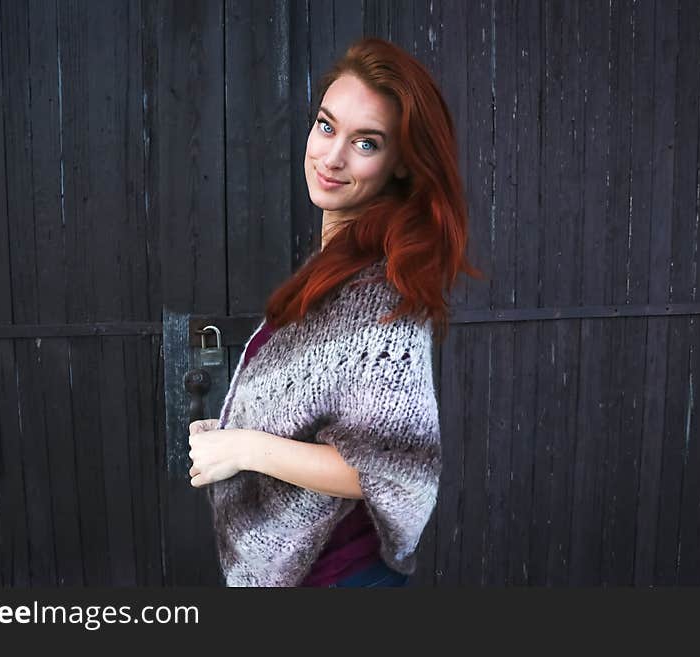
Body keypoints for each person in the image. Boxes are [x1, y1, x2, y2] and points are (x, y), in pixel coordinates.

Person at [187, 37, 483, 587]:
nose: (332, 156)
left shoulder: (380, 288)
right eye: (326, 126)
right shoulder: (336, 268)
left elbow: (384, 464)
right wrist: (237, 429)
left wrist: (245, 447)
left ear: (401, 164)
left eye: (366, 143)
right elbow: (323, 413)